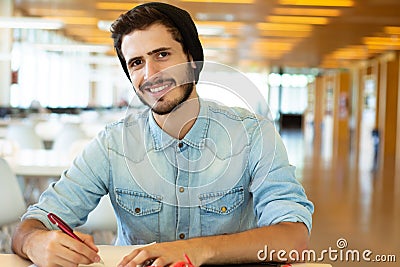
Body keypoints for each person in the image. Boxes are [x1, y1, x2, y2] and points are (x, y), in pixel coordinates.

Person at [12, 2, 314, 267]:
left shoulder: (254, 135)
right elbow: (33, 224)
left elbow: (294, 237)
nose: (150, 73)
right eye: (136, 63)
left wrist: (195, 250)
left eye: (162, 54)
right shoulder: (113, 144)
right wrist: (33, 243)